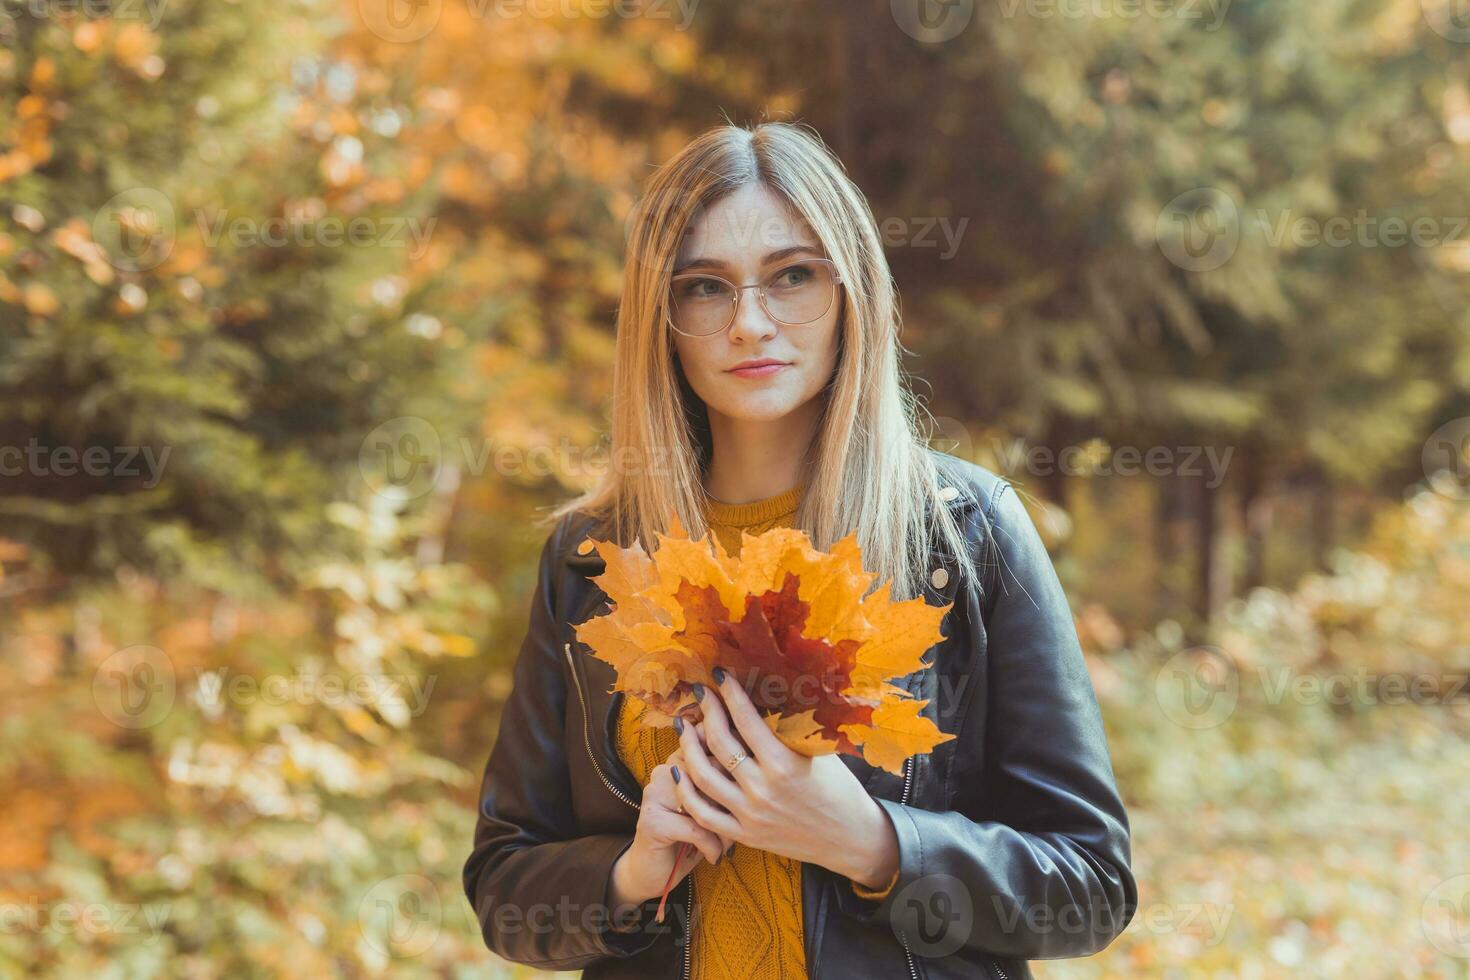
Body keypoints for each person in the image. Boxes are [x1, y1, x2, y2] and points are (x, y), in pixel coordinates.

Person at [464, 121, 1136, 980]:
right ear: (660, 320)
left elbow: (1091, 885)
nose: (751, 323)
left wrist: (875, 844)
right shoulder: (591, 558)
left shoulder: (964, 533)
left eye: (792, 276)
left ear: (852, 292)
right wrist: (630, 875)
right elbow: (504, 885)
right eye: (705, 288)